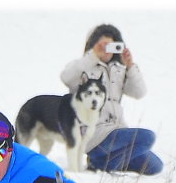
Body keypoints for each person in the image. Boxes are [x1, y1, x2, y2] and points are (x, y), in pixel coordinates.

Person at [61, 23, 164, 175]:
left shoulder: (119, 70)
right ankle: (102, 159)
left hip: (117, 134)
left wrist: (130, 66)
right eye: (103, 45)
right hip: (94, 134)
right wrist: (92, 56)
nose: (107, 49)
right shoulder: (83, 66)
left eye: (112, 45)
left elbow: (139, 92)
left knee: (154, 166)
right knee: (147, 138)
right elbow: (66, 78)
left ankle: (105, 162)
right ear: (93, 44)